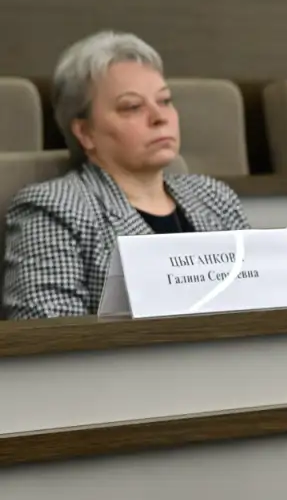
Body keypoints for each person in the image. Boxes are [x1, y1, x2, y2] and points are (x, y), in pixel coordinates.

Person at [3, 31, 248, 319]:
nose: (160, 117)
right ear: (85, 132)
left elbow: (269, 304)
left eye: (165, 100)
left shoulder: (215, 197)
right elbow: (51, 334)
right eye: (132, 107)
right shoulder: (54, 209)